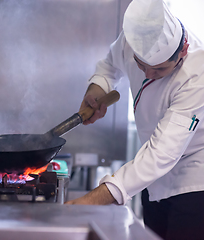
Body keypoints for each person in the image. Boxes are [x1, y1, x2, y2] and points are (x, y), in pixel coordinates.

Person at [65, 0, 204, 239]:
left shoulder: (197, 74)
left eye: (159, 70)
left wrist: (93, 199)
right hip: (152, 179)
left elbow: (163, 153)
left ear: (183, 50)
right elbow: (110, 65)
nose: (148, 75)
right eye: (141, 66)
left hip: (194, 181)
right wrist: (97, 89)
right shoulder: (135, 38)